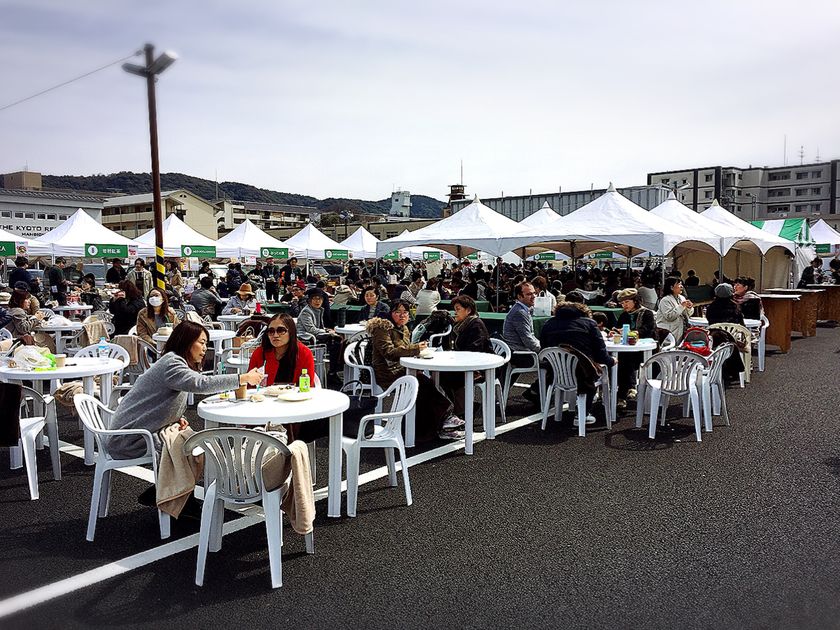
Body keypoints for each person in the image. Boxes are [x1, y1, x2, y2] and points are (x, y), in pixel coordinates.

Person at [107, 321, 264, 459]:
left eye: (206, 344)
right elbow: (201, 384)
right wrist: (243, 378)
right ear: (186, 342)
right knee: (198, 446)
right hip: (129, 441)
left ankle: (175, 491)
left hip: (134, 434)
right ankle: (174, 491)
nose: (204, 349)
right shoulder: (172, 364)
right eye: (201, 342)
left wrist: (175, 418)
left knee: (195, 442)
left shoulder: (172, 360)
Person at [366, 301, 461, 440]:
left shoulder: (403, 328)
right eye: (398, 312)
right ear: (391, 313)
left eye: (405, 312)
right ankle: (443, 419)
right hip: (388, 374)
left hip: (403, 370)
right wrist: (415, 348)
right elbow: (389, 352)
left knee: (425, 384)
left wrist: (416, 349)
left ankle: (438, 425)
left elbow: (405, 349)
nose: (402, 315)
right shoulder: (382, 328)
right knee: (422, 384)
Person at [539, 301, 615, 422]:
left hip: (556, 373)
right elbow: (601, 354)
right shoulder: (589, 323)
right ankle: (583, 413)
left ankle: (559, 415)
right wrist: (612, 361)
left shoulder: (548, 324)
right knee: (596, 368)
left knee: (583, 366)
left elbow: (544, 348)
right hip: (583, 373)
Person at [247, 313, 316, 440]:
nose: (275, 335)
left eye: (281, 330)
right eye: (271, 331)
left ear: (291, 332)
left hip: (295, 408)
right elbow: (249, 386)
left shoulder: (304, 353)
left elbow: (308, 387)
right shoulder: (260, 353)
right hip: (262, 407)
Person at [439, 296, 492, 426]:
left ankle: (463, 411)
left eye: (458, 309)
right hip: (463, 363)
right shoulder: (459, 326)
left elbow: (475, 349)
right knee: (441, 375)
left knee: (450, 376)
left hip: (479, 366)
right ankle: (462, 408)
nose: (455, 312)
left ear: (468, 310)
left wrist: (455, 355)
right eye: (454, 309)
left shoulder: (476, 324)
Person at [614, 288, 656, 411]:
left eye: (627, 302)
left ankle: (624, 392)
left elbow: (648, 329)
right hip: (627, 348)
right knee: (620, 360)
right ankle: (623, 392)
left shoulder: (646, 313)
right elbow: (618, 328)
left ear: (635, 301)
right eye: (622, 303)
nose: (624, 305)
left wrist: (633, 333)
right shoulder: (623, 315)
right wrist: (615, 332)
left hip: (645, 349)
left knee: (625, 360)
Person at [503, 281, 541, 403]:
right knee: (552, 361)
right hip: (519, 354)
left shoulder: (523, 309)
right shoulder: (520, 312)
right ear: (519, 297)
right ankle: (535, 391)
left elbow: (530, 337)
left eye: (534, 293)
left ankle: (535, 391)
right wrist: (544, 348)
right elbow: (528, 340)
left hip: (517, 351)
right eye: (529, 294)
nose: (534, 296)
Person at [296, 289, 343, 377]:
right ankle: (332, 372)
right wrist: (327, 332)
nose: (317, 301)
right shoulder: (306, 312)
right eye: (315, 299)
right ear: (310, 300)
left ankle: (334, 370)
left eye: (320, 299)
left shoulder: (319, 310)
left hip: (315, 335)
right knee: (335, 341)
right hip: (306, 338)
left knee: (338, 340)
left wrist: (327, 330)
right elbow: (311, 329)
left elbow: (319, 327)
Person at [655, 277, 694, 342]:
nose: (681, 286)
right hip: (669, 332)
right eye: (679, 284)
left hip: (680, 330)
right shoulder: (665, 300)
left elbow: (688, 314)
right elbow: (669, 316)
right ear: (671, 287)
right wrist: (681, 306)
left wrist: (689, 308)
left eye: (681, 284)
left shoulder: (682, 298)